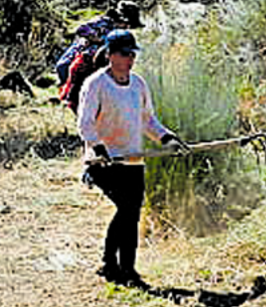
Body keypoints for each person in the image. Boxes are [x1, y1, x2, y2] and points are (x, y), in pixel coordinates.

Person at [78, 29, 189, 287]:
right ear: (110, 55)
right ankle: (114, 265)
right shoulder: (95, 84)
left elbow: (148, 120)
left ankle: (123, 268)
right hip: (103, 163)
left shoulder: (138, 84)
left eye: (132, 54)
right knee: (127, 209)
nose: (130, 59)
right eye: (125, 54)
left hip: (133, 160)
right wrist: (98, 148)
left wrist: (166, 138)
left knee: (131, 213)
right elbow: (85, 123)